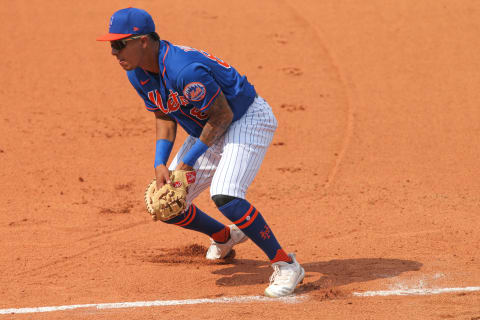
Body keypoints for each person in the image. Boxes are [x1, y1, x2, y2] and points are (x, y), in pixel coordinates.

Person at [97, 7, 304, 297]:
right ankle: (225, 236)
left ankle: (286, 264)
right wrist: (160, 163)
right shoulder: (137, 73)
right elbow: (164, 115)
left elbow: (222, 116)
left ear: (143, 41)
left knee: (226, 194)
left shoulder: (184, 69)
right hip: (206, 131)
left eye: (119, 44)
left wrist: (186, 162)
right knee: (165, 202)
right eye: (111, 45)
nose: (113, 52)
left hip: (244, 119)